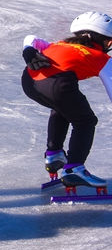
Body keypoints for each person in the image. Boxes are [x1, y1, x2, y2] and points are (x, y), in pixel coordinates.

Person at [22, 12, 112, 191]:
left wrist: (28, 51)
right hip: (58, 85)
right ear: (107, 41)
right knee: (86, 121)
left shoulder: (59, 44)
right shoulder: (102, 58)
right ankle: (74, 169)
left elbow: (30, 38)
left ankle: (54, 155)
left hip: (29, 81)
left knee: (63, 108)